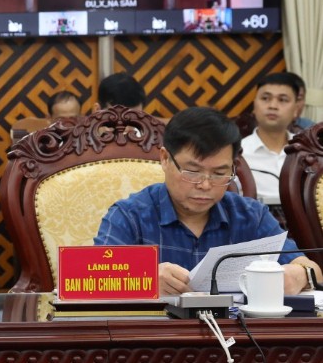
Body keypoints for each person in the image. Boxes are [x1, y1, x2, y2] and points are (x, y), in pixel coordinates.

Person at [95, 107, 319, 296]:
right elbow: (93, 278)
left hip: (237, 334)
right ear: (164, 159)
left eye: (219, 173)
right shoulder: (129, 215)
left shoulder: (251, 216)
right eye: (192, 171)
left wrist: (299, 276)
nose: (204, 185)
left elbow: (312, 269)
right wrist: (145, 279)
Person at [241, 72, 300, 206]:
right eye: (265, 98)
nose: (273, 105)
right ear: (254, 106)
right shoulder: (238, 153)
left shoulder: (308, 151)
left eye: (282, 100)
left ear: (296, 109)